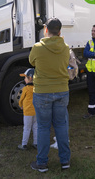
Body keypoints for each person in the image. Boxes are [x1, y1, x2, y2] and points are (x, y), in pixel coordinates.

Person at [29, 17, 71, 172]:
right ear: (60, 31)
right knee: (61, 125)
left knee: (43, 127)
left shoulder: (37, 47)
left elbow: (32, 62)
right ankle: (65, 161)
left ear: (45, 29)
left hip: (42, 92)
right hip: (62, 90)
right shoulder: (66, 47)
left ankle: (41, 163)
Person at [18, 68, 37, 150]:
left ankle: (24, 144)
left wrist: (20, 105)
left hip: (27, 112)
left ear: (30, 78)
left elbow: (21, 99)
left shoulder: (25, 89)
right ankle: (36, 143)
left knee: (27, 128)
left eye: (25, 77)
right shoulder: (37, 88)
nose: (24, 79)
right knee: (36, 127)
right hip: (36, 111)